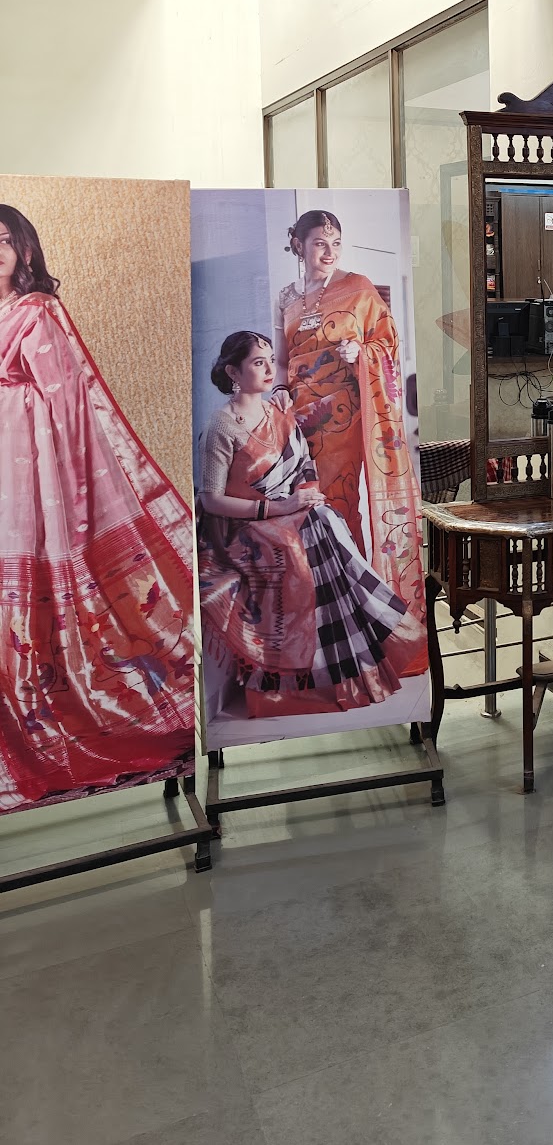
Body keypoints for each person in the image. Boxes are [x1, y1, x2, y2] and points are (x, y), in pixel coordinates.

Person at [0, 204, 194, 814]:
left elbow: (66, 405)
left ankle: (71, 704)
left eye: (3, 242)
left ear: (25, 252)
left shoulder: (37, 314)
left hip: (30, 469)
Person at [197, 331, 426, 722]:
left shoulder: (275, 410)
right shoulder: (222, 425)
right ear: (233, 371)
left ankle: (348, 669)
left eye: (271, 359)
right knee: (305, 536)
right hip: (245, 526)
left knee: (323, 520)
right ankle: (302, 685)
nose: (270, 369)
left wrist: (305, 497)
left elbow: (303, 466)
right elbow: (211, 500)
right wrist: (281, 507)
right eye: (258, 362)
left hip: (288, 513)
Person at [275, 209, 423, 618]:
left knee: (337, 501)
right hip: (297, 420)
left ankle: (352, 603)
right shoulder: (286, 298)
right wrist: (278, 390)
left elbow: (389, 343)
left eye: (335, 243)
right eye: (320, 243)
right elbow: (282, 359)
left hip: (343, 415)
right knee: (301, 504)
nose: (329, 252)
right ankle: (316, 602)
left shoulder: (358, 288)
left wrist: (362, 352)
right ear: (298, 245)